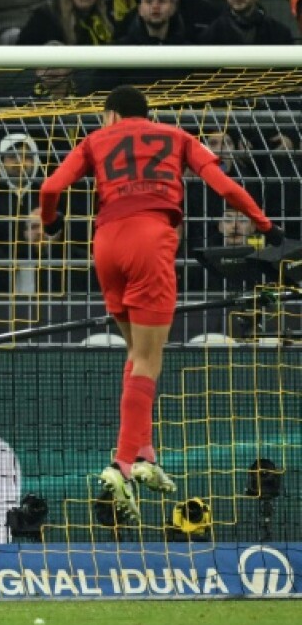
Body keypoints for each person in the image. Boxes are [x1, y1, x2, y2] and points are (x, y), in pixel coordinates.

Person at [38, 86, 283, 522]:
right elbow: (225, 187)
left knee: (136, 355)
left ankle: (145, 453)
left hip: (106, 243)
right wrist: (266, 225)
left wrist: (52, 223)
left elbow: (51, 185)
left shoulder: (96, 140)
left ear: (111, 115)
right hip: (149, 239)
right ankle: (122, 465)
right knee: (151, 361)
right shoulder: (177, 136)